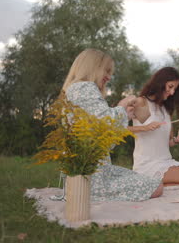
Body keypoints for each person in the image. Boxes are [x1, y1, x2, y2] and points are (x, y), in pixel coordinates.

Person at [62, 48, 163, 201]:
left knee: (142, 178)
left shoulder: (75, 90)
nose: (108, 77)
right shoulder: (85, 88)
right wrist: (121, 107)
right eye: (106, 71)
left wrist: (124, 115)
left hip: (89, 172)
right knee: (156, 187)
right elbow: (104, 121)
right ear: (93, 67)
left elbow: (102, 138)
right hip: (93, 179)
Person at [129, 67, 179, 186]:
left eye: (175, 89)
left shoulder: (165, 110)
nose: (172, 92)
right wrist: (144, 128)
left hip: (166, 162)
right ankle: (148, 184)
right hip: (147, 165)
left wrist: (178, 139)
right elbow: (118, 128)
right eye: (170, 86)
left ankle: (153, 186)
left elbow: (169, 142)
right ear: (160, 82)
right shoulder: (142, 102)